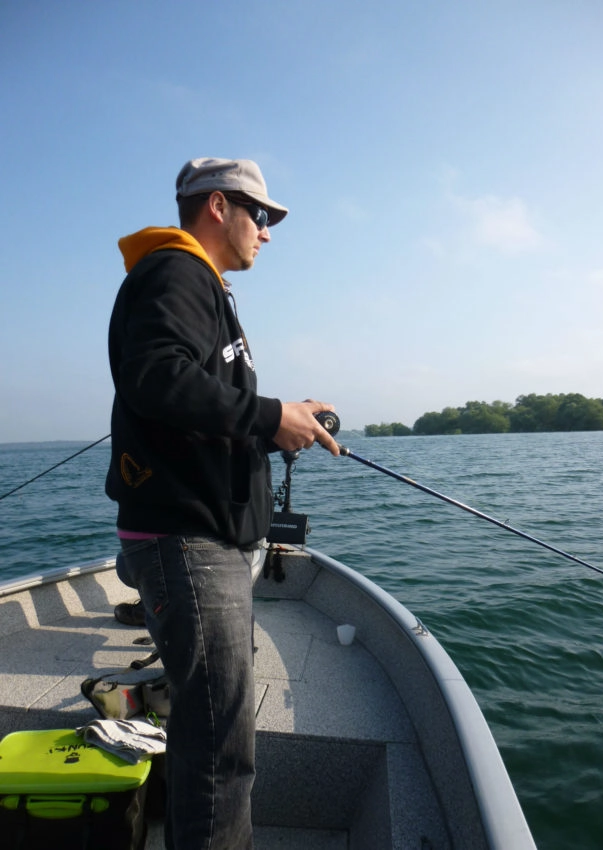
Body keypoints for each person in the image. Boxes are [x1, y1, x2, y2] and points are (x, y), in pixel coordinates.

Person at [105, 156, 339, 850]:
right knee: (219, 747)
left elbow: (195, 418)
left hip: (199, 538)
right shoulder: (173, 273)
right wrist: (270, 415)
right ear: (217, 206)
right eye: (260, 215)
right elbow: (155, 379)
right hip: (190, 543)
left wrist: (280, 427)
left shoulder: (198, 285)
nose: (266, 232)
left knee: (210, 735)